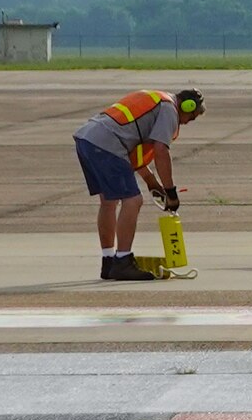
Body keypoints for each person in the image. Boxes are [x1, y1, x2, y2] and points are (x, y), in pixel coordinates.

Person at [73, 88, 204, 281]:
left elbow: (134, 153)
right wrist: (171, 192)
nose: (189, 121)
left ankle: (109, 261)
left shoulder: (158, 99)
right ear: (187, 106)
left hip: (88, 139)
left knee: (109, 202)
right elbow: (161, 151)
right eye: (192, 116)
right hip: (108, 143)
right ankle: (123, 261)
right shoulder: (169, 110)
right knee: (133, 200)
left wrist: (152, 182)